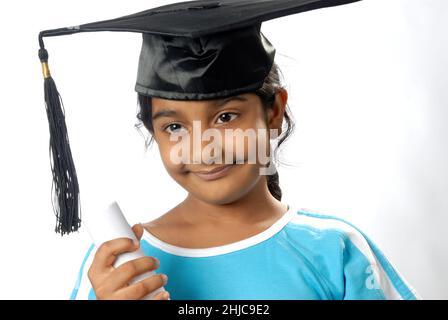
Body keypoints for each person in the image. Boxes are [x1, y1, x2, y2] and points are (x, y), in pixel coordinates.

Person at [37, 0, 421, 300]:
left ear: (273, 111)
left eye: (225, 118)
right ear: (152, 132)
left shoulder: (334, 250)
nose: (204, 148)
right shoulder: (117, 270)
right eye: (174, 126)